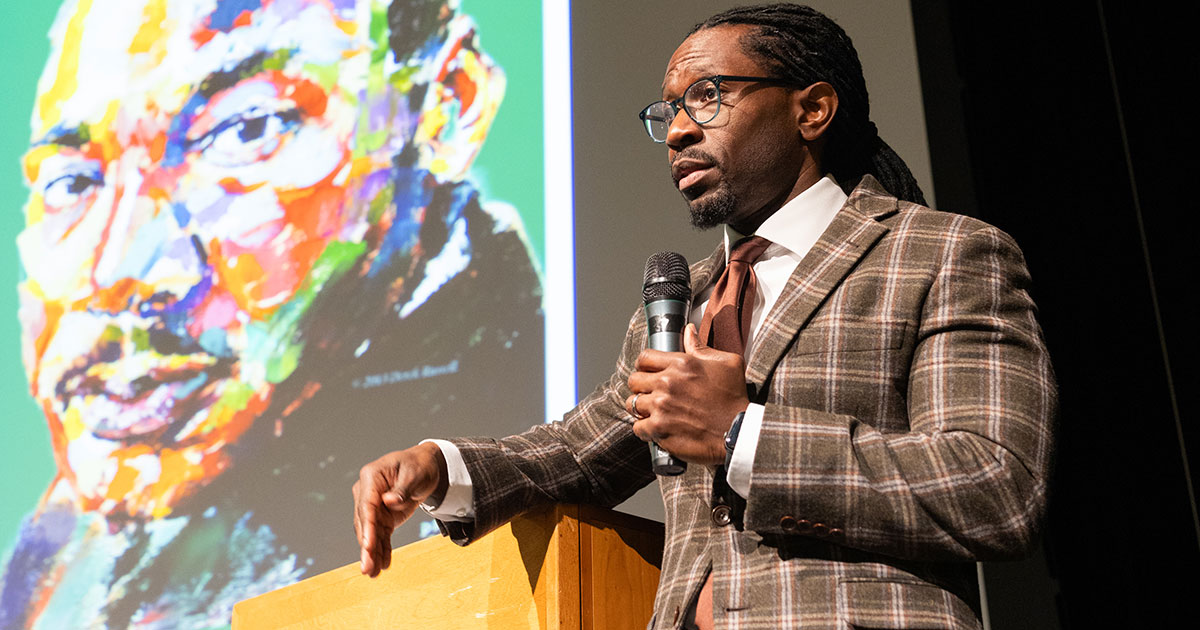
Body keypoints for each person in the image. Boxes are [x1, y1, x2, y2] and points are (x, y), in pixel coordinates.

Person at [353, 4, 1055, 630]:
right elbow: (577, 454)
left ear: (811, 109)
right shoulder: (681, 300)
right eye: (668, 111)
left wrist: (741, 433)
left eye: (708, 97)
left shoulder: (942, 252)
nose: (679, 131)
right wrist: (440, 468)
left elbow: (994, 484)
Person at [1, 0, 544, 627]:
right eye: (70, 182)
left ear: (448, 103)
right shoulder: (64, 538)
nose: (117, 267)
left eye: (246, 130)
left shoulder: (510, 439)